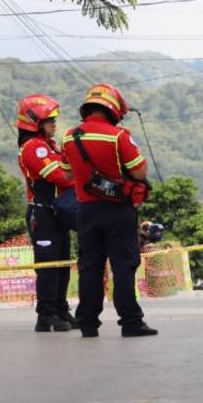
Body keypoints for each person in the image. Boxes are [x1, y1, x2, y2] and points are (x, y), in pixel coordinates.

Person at [59, 83, 158, 338]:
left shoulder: (70, 137)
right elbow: (140, 172)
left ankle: (88, 323)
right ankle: (131, 322)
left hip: (86, 211)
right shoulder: (118, 136)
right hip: (118, 211)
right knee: (123, 265)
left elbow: (67, 173)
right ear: (113, 110)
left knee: (90, 266)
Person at [16, 94, 77, 332]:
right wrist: (81, 177)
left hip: (57, 212)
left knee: (62, 265)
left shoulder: (48, 145)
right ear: (35, 122)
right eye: (49, 120)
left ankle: (61, 310)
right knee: (48, 266)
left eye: (54, 119)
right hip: (42, 214)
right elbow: (60, 176)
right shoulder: (32, 148)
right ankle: (46, 315)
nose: (54, 124)